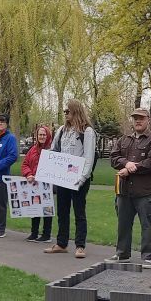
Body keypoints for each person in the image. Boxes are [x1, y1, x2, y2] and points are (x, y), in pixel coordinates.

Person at [109, 108, 151, 264]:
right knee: (123, 224)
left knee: (147, 226)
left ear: (148, 120)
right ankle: (122, 254)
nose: (138, 121)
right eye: (135, 118)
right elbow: (113, 157)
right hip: (124, 191)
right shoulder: (124, 139)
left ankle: (148, 257)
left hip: (146, 192)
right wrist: (126, 163)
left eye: (141, 118)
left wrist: (130, 169)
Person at [44, 99, 96, 258]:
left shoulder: (87, 132)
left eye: (68, 111)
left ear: (76, 111)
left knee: (79, 211)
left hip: (78, 178)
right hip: (62, 177)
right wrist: (48, 164)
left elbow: (89, 157)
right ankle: (61, 243)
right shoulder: (62, 130)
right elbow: (54, 150)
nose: (65, 114)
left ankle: (80, 246)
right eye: (64, 112)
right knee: (62, 211)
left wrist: (82, 178)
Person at [21, 124, 53, 242]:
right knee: (35, 208)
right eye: (40, 134)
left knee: (47, 209)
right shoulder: (33, 150)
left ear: (48, 136)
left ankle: (46, 235)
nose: (42, 137)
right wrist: (28, 174)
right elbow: (25, 164)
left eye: (44, 134)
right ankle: (34, 233)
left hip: (47, 185)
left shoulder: (52, 150)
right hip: (34, 184)